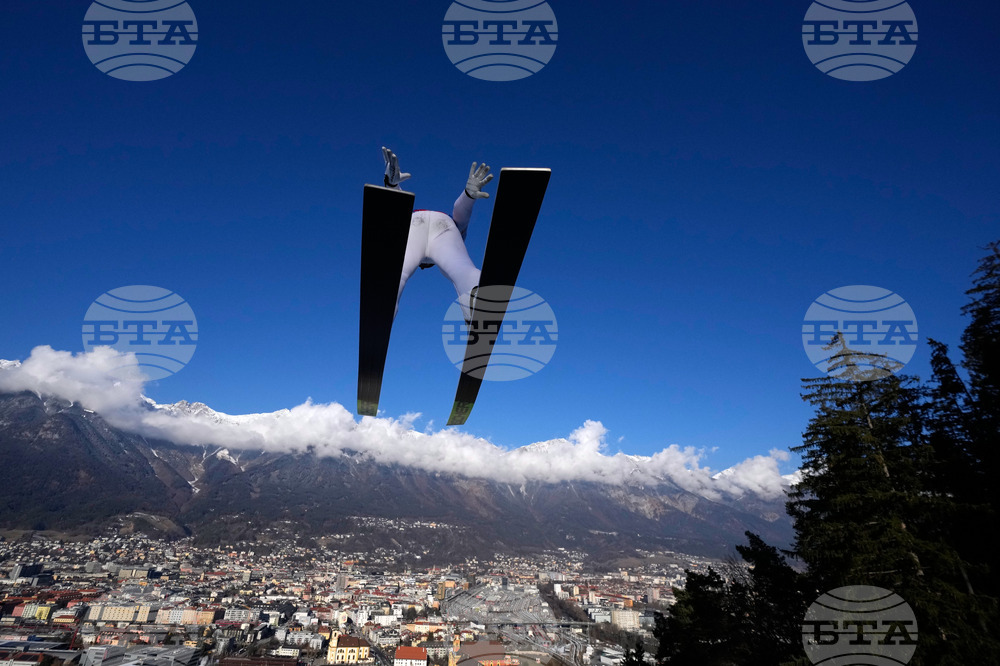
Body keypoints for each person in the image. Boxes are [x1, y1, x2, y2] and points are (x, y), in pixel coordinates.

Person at [381, 146, 493, 321]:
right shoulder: (452, 239)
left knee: (399, 271)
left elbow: (460, 217)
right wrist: (467, 196)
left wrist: (392, 185)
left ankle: (385, 299)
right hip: (444, 225)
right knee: (460, 267)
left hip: (413, 221)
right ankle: (475, 294)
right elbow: (459, 217)